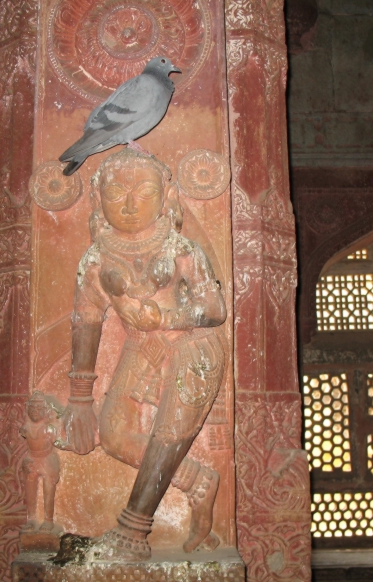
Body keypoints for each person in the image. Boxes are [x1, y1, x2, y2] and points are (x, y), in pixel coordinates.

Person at [62, 148, 227, 561]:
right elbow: (86, 323)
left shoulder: (183, 250)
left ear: (164, 197)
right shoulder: (96, 260)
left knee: (166, 437)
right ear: (98, 199)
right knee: (113, 435)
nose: (131, 205)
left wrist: (167, 315)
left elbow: (214, 309)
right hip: (143, 346)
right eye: (117, 192)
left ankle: (131, 533)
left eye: (144, 192)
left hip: (193, 349)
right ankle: (196, 480)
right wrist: (80, 400)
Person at [20, 391, 61, 534]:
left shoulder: (49, 429)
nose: (35, 412)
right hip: (32, 459)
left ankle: (48, 520)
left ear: (46, 411)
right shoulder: (26, 428)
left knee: (49, 489)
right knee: (30, 490)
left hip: (47, 459)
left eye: (39, 409)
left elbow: (59, 441)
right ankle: (31, 518)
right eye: (32, 409)